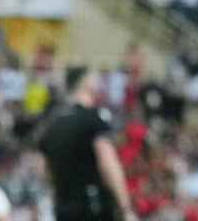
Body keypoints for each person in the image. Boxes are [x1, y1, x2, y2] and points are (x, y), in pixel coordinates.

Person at [38, 66, 136, 221]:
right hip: (92, 206)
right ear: (85, 82)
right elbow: (108, 163)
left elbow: (45, 169)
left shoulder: (54, 123)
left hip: (63, 206)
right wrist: (126, 208)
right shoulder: (93, 118)